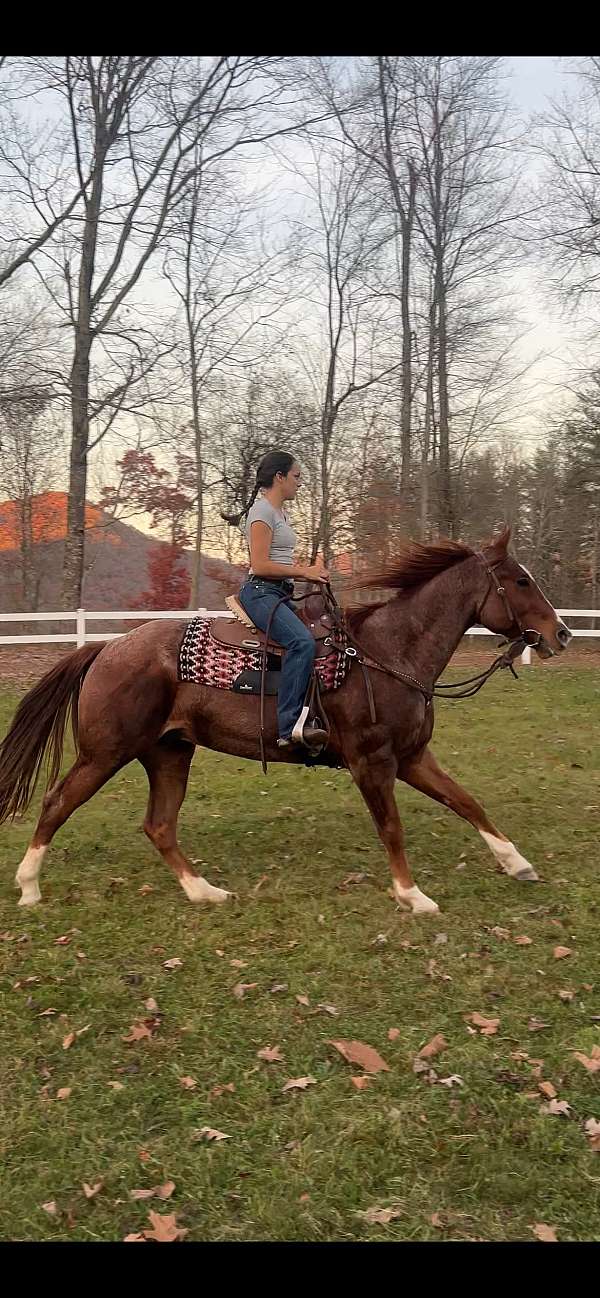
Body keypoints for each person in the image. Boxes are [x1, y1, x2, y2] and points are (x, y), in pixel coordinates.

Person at [222, 450, 329, 749]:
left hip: (280, 592)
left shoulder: (280, 513)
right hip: (261, 592)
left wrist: (309, 575)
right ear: (279, 477)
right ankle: (288, 728)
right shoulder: (262, 513)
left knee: (325, 636)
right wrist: (305, 572)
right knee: (301, 642)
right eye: (296, 476)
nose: (299, 482)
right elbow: (260, 565)